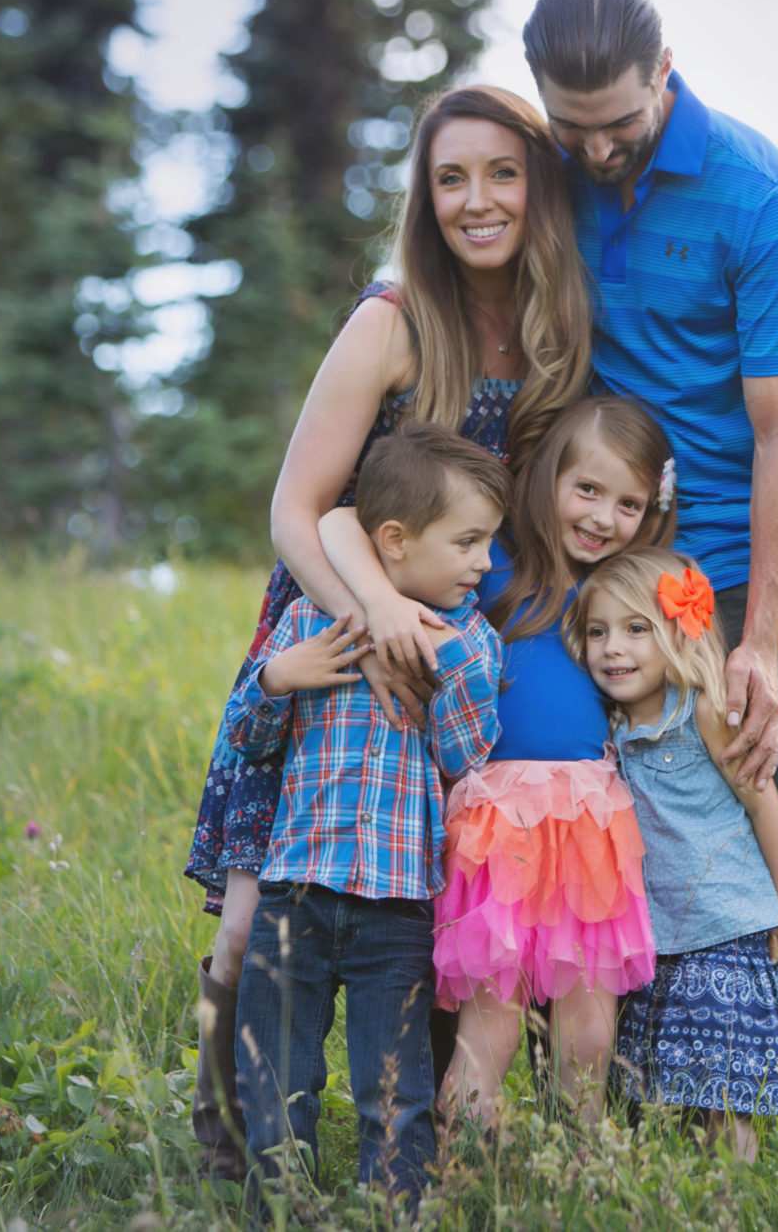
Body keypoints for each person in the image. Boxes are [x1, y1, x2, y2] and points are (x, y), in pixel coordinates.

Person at [521, 0, 778, 1158]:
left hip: (739, 564)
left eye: (616, 125)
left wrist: (757, 647)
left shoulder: (757, 194)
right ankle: (619, 1118)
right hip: (612, 566)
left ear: (666, 73)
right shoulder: (550, 175)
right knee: (595, 820)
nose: (594, 151)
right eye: (569, 126)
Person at [184, 85, 595, 1179]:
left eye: (502, 173)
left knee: (426, 901)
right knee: (252, 919)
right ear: (424, 197)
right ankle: (227, 1139)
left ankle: (426, 1144)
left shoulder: (560, 328)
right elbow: (299, 507)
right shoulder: (392, 319)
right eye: (450, 178)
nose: (476, 200)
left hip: (464, 635)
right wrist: (372, 615)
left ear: (540, 189)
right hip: (336, 623)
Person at [318, 395, 675, 1129]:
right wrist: (380, 602)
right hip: (497, 818)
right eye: (588, 490)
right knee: (492, 1028)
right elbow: (333, 523)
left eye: (629, 504)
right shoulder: (494, 559)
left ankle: (580, 1166)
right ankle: (466, 1168)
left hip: (592, 821)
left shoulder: (625, 584)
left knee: (590, 1032)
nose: (604, 517)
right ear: (548, 478)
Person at [222, 423, 508, 1200]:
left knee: (395, 1088)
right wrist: (276, 678)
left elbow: (466, 756)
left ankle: (396, 1209)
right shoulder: (310, 622)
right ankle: (279, 1209)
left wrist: (448, 666)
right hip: (296, 893)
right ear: (395, 540)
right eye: (469, 541)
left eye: (489, 542)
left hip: (396, 906)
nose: (486, 561)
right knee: (278, 1078)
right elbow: (247, 741)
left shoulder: (470, 638)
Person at [567, 546, 778, 1161]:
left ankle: (732, 1196)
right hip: (660, 939)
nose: (613, 648)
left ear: (677, 633)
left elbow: (764, 807)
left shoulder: (705, 710)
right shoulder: (606, 727)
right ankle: (688, 1196)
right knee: (676, 1092)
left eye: (637, 629)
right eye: (598, 632)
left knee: (725, 1097)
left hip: (728, 930)